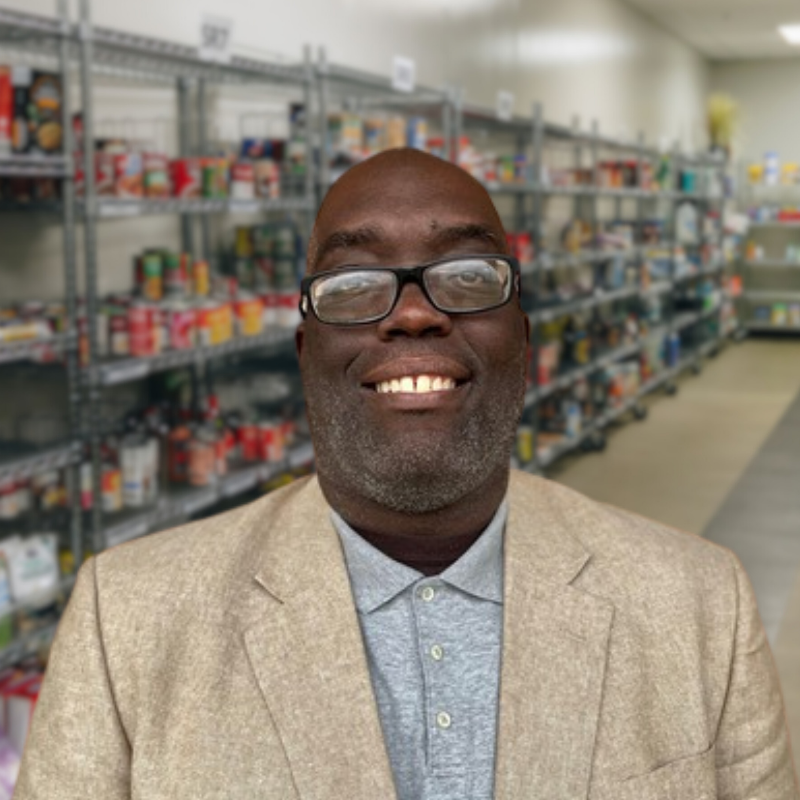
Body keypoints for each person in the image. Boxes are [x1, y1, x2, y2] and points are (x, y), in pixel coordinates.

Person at [15, 148, 799, 800]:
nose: (415, 314)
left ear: (523, 341)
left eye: (467, 274)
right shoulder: (129, 620)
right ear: (304, 356)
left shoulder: (699, 605)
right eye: (354, 286)